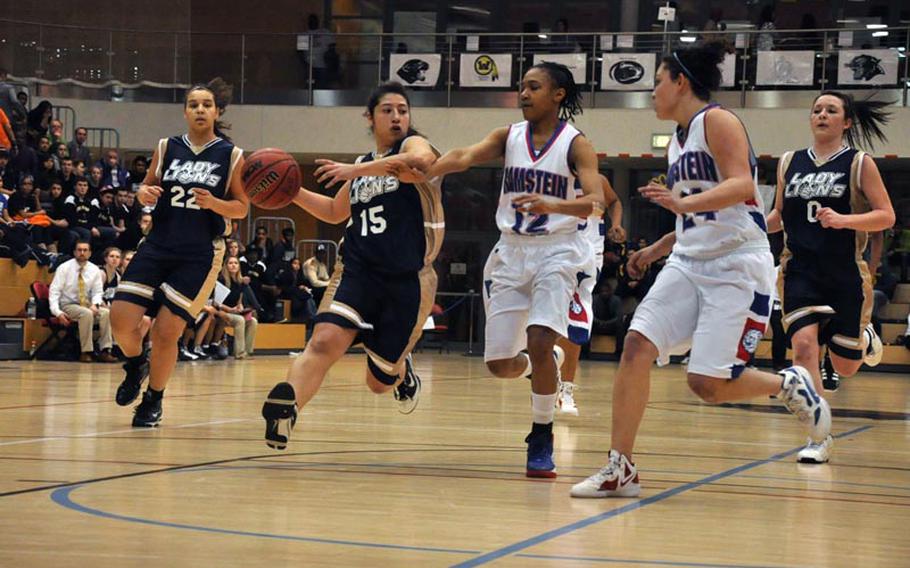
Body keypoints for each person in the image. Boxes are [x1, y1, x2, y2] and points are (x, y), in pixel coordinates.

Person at [571, 42, 831, 499]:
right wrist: (658, 247)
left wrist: (684, 203)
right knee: (635, 345)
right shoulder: (676, 140)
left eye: (656, 82)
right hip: (689, 260)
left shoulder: (718, 120)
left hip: (736, 264)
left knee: (707, 385)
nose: (652, 92)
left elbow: (742, 186)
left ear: (680, 82)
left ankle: (789, 384)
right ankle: (621, 468)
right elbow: (695, 211)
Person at [402, 62, 607, 477]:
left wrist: (555, 205)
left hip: (559, 250)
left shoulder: (576, 144)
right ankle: (540, 359)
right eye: (522, 87)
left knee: (539, 333)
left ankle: (541, 434)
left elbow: (596, 201)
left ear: (558, 95)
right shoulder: (508, 136)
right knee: (499, 365)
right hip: (511, 253)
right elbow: (463, 156)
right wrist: (428, 171)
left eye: (534, 87)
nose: (524, 94)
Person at [261, 81, 442, 450]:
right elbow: (332, 211)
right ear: (370, 117)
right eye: (387, 110)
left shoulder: (413, 146)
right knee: (324, 340)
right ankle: (287, 408)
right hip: (357, 271)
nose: (396, 116)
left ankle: (400, 372)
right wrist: (290, 192)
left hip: (409, 279)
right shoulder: (360, 167)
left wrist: (354, 172)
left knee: (378, 383)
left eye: (402, 110)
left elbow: (419, 163)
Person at [110, 78, 248, 427]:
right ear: (185, 112)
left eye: (206, 105)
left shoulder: (231, 155)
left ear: (217, 112)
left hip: (199, 252)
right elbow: (148, 187)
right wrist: (144, 195)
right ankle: (135, 363)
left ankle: (153, 399)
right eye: (193, 104)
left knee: (166, 331)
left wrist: (216, 203)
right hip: (158, 243)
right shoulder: (167, 146)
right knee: (121, 320)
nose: (200, 109)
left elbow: (242, 208)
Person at [766, 91, 894, 464]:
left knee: (845, 366)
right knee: (804, 348)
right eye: (817, 110)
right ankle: (818, 436)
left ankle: (865, 338)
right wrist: (750, 224)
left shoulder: (859, 163)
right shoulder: (789, 162)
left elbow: (886, 216)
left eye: (831, 110)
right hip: (800, 270)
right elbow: (778, 215)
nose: (822, 115)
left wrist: (844, 221)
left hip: (844, 273)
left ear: (847, 122)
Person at [556, 174, 625, 415]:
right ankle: (547, 375)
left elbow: (615, 202)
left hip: (587, 256)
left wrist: (615, 224)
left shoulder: (598, 181)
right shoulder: (551, 176)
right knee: (551, 321)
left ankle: (565, 389)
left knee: (574, 322)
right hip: (555, 252)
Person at [48, 240, 117, 363]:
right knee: (86, 313)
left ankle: (105, 350)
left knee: (106, 313)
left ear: (90, 253)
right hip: (68, 305)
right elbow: (54, 292)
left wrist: (95, 304)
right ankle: (86, 351)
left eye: (85, 250)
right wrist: (57, 312)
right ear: (74, 252)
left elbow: (97, 291)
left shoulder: (94, 269)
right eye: (79, 250)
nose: (82, 253)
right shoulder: (64, 268)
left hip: (86, 304)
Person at [216, 256, 258, 358]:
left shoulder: (240, 282)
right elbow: (216, 302)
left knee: (252, 321)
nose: (233, 265)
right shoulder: (221, 280)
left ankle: (248, 351)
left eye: (236, 263)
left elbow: (239, 300)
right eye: (230, 263)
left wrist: (240, 307)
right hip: (221, 311)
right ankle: (239, 352)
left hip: (234, 311)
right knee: (240, 320)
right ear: (226, 266)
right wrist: (230, 309)